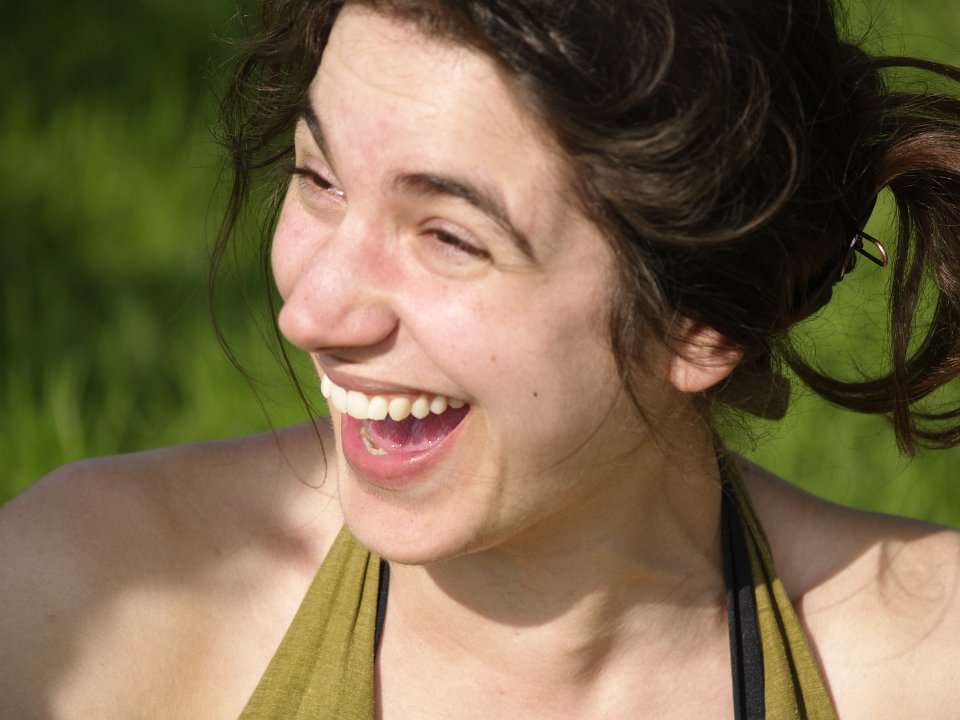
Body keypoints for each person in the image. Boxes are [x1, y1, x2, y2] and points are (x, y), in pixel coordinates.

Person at [3, 0, 960, 717]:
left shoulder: (922, 665)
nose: (310, 311)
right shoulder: (83, 606)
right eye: (319, 178)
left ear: (698, 321)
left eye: (449, 237)